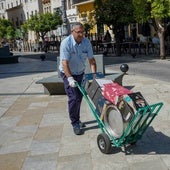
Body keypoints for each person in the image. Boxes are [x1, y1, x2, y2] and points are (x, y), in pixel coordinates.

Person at [59, 22, 97, 135]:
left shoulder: (86, 42)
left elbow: (92, 61)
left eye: (82, 32)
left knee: (79, 98)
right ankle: (75, 123)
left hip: (80, 72)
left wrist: (94, 76)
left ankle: (77, 119)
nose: (81, 34)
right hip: (67, 73)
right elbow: (65, 63)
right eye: (78, 32)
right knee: (74, 97)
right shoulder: (66, 43)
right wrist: (70, 78)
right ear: (72, 32)